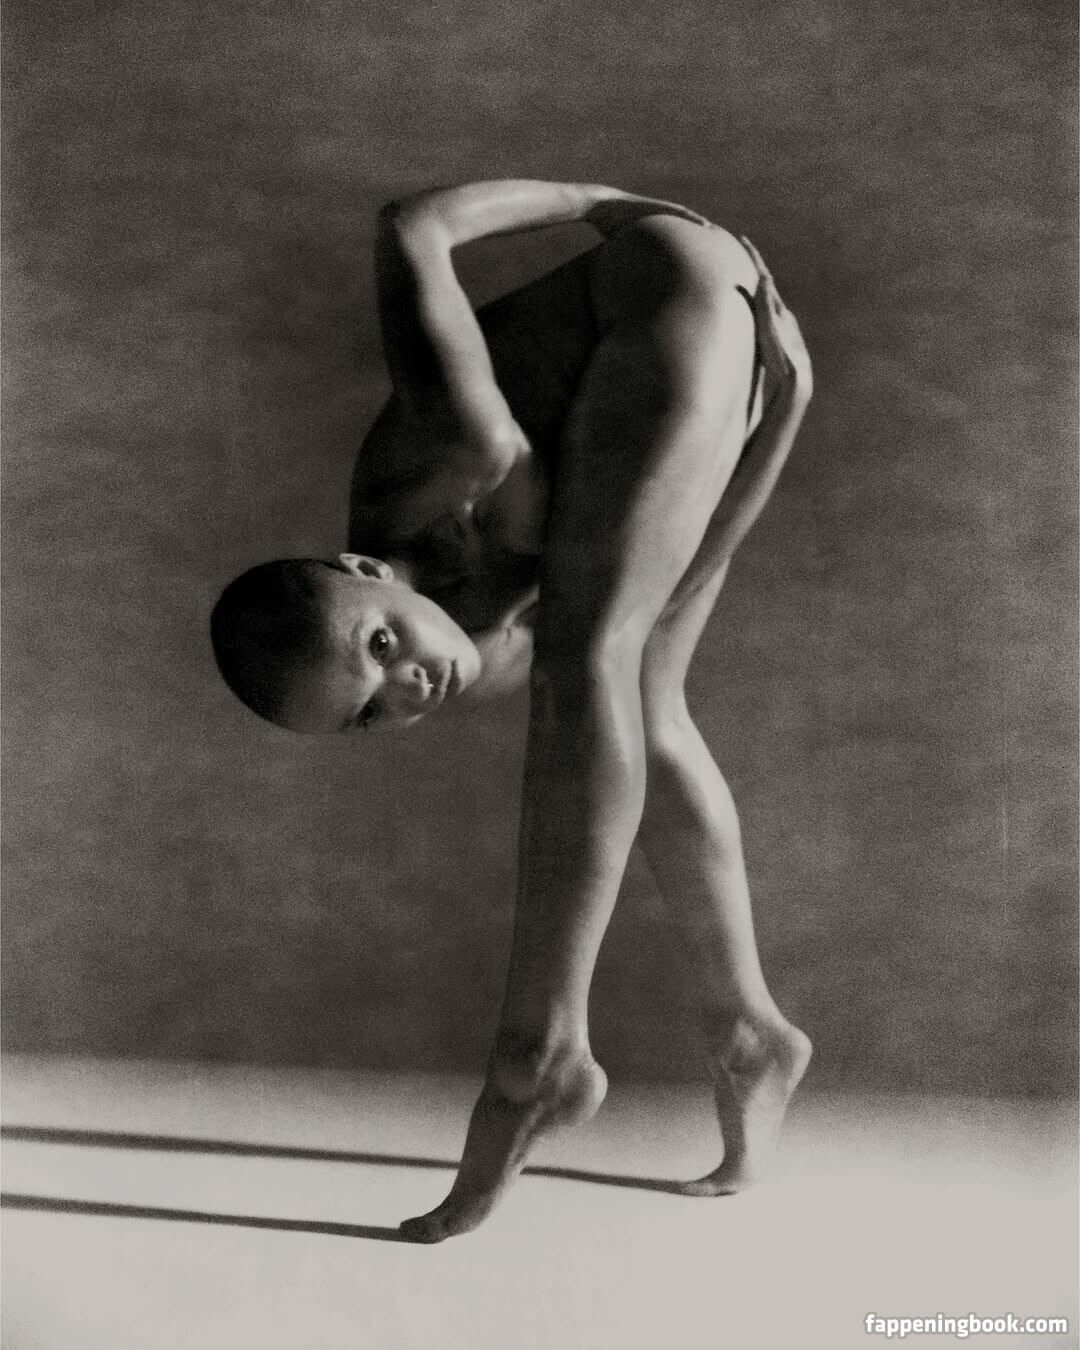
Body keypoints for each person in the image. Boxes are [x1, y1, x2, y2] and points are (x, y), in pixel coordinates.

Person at [211, 179, 814, 1243]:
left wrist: (601, 200)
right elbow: (674, 591)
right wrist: (784, 419)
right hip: (704, 366)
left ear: (366, 569)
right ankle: (750, 1031)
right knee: (642, 700)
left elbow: (409, 224)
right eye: (369, 714)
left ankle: (537, 1052)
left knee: (590, 662)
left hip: (664, 281)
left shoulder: (437, 453)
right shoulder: (472, 658)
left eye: (380, 646)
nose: (408, 685)